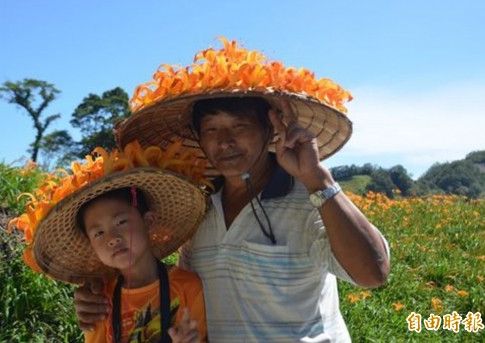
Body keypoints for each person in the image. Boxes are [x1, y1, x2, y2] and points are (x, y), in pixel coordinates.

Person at [75, 38, 390, 342]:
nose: (224, 141)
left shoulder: (310, 197)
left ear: (270, 130)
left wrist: (317, 179)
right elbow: (174, 287)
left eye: (239, 127)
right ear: (199, 138)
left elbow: (373, 273)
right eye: (211, 130)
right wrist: (101, 294)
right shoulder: (200, 210)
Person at [9, 142, 209, 343]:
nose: (112, 238)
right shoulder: (98, 300)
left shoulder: (188, 286)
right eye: (98, 233)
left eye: (121, 222)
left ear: (148, 221)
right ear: (91, 244)